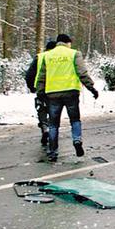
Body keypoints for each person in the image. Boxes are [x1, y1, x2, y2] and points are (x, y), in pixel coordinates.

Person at [36, 34, 98, 162]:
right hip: (71, 93)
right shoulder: (74, 54)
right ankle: (77, 140)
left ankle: (53, 152)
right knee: (75, 120)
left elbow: (42, 77)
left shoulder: (48, 56)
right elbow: (82, 73)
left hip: (52, 94)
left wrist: (40, 93)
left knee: (53, 124)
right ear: (67, 43)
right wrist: (91, 88)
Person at [25, 40, 56, 146]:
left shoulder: (39, 57)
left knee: (41, 108)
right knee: (54, 109)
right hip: (56, 88)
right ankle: (52, 129)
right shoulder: (57, 58)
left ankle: (44, 126)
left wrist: (32, 87)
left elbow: (29, 74)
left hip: (41, 88)